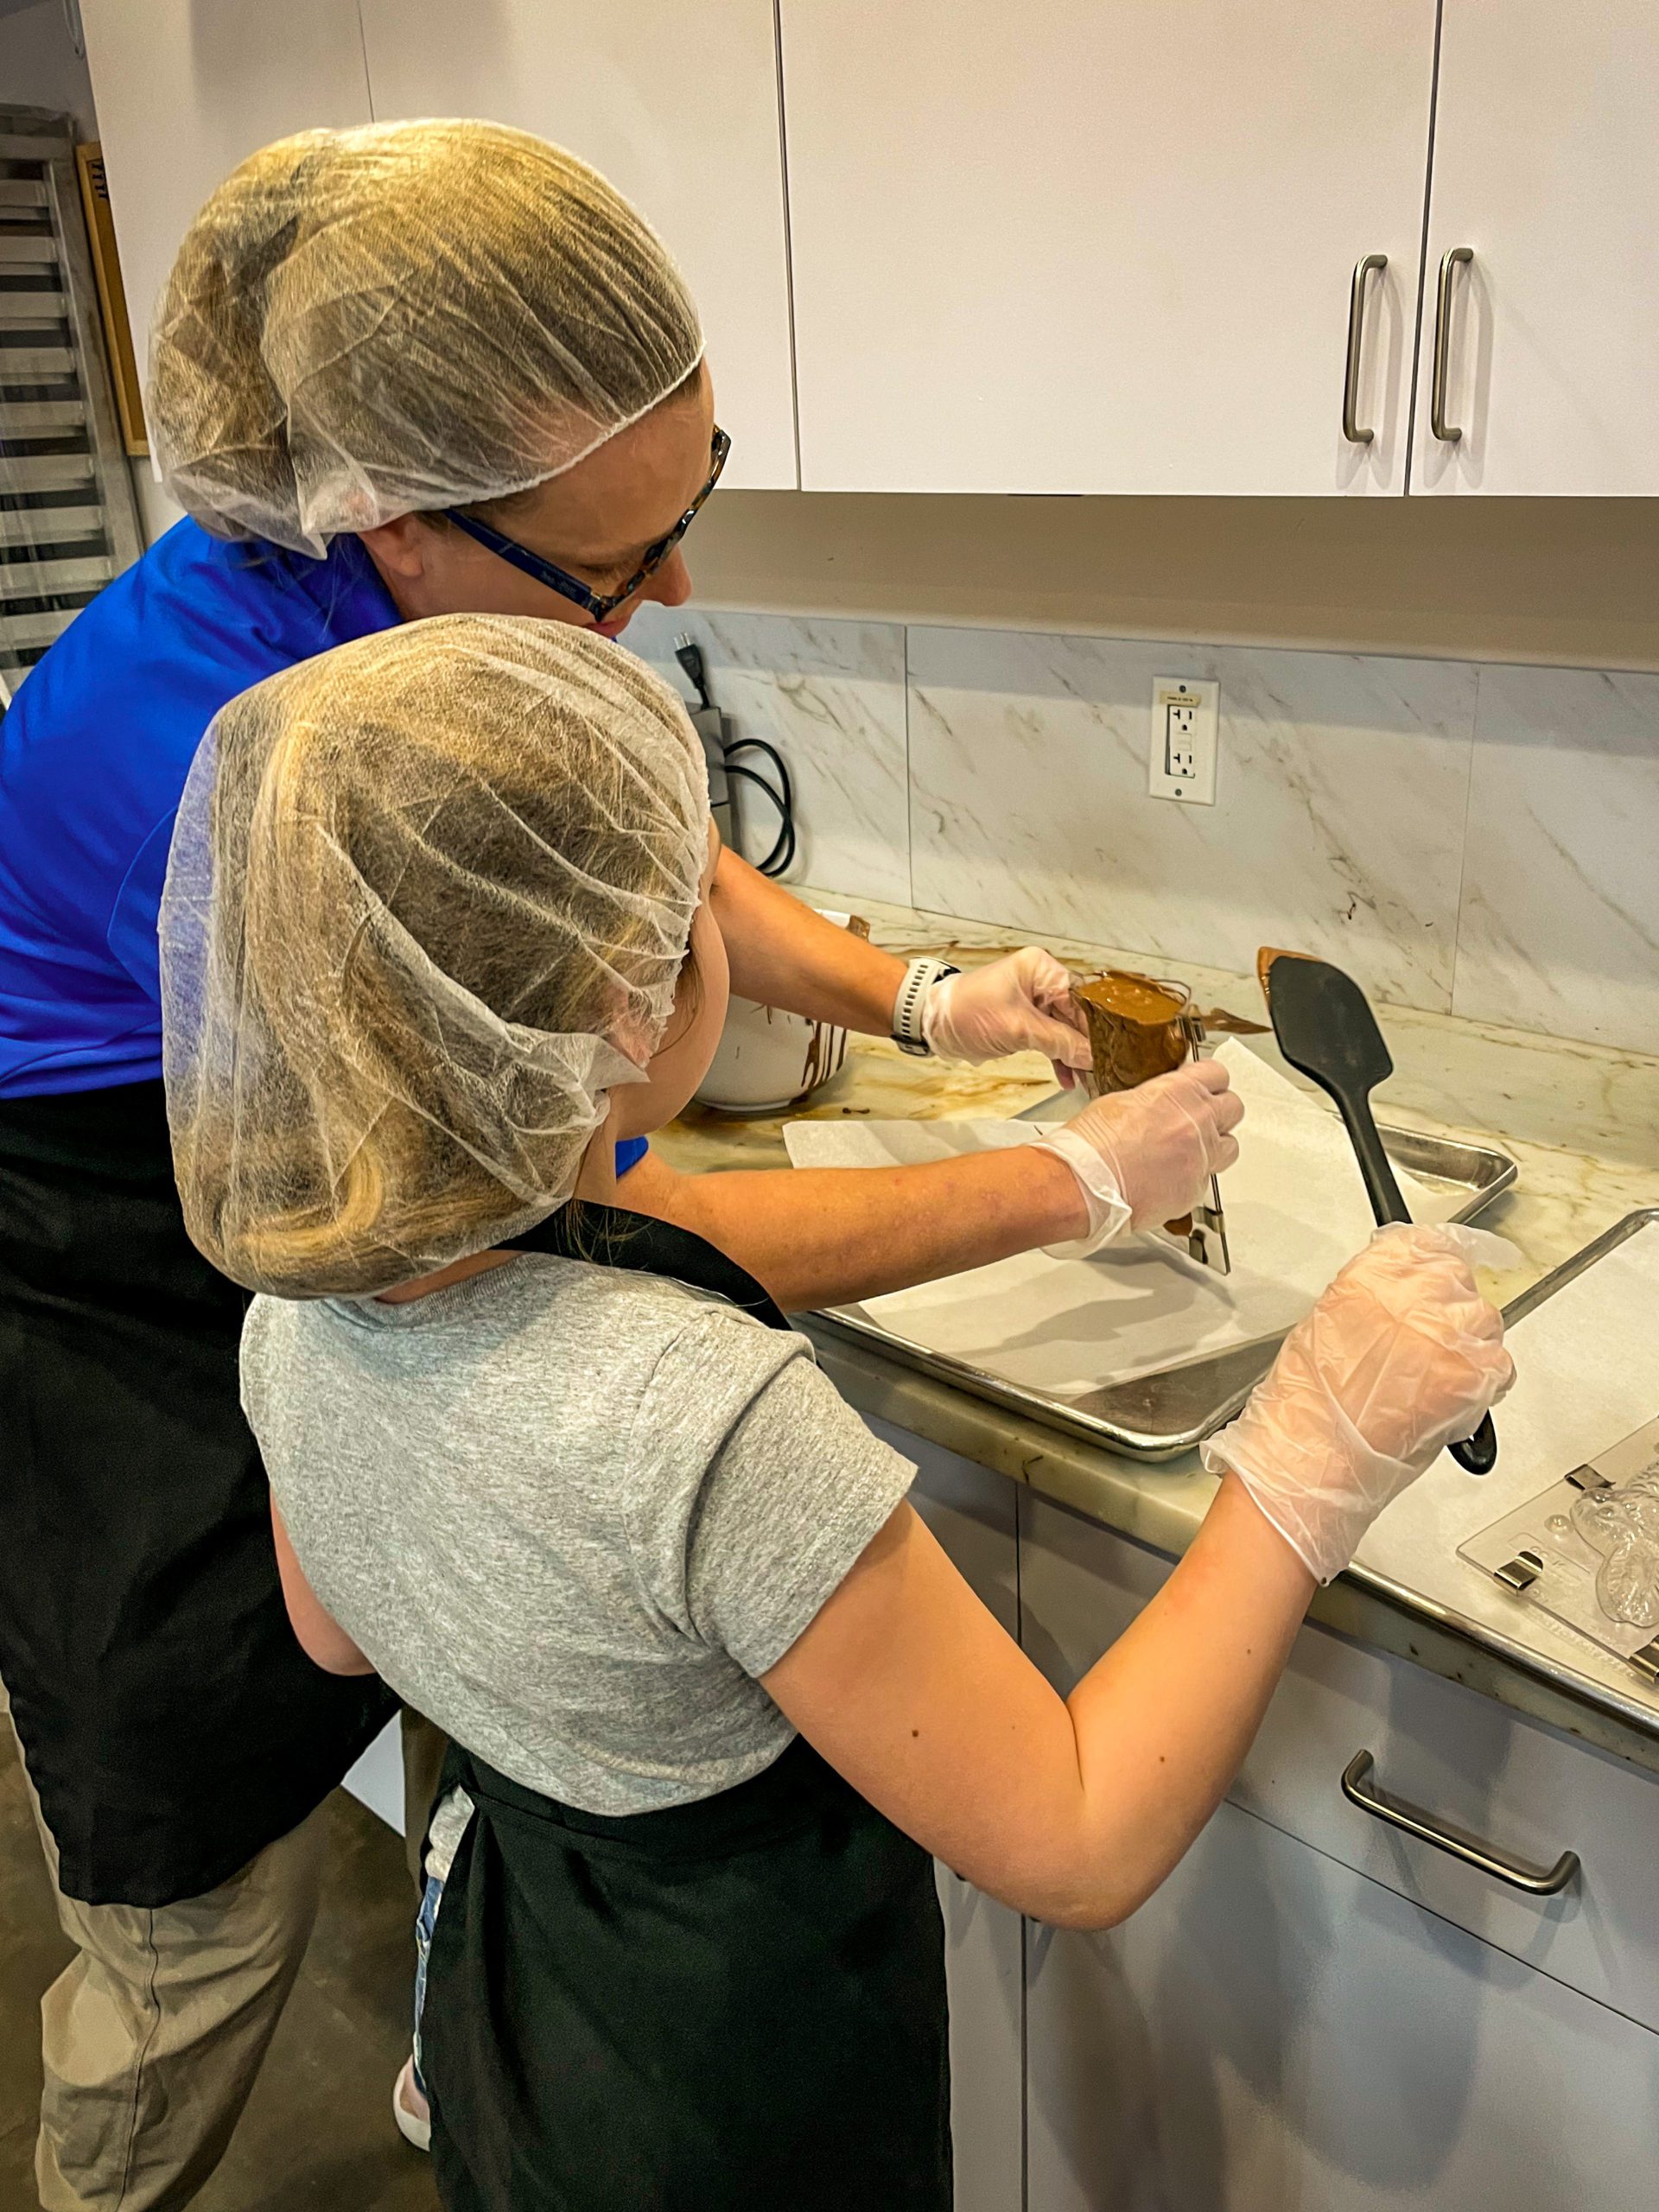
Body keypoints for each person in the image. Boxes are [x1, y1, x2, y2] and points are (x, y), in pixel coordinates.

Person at [0, 118, 1236, 2203]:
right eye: (622, 563)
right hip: (97, 1277)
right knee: (191, 1900)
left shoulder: (411, 600)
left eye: (700, 497)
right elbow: (654, 1219)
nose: (676, 588)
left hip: (566, 2048)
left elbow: (614, 842)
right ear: (402, 517)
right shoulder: (208, 781)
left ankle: (448, 2058)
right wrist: (1075, 1183)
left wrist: (918, 1000)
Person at [162, 615, 1515, 2210]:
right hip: (737, 2094)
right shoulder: (709, 1423)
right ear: (625, 997)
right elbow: (1075, 1834)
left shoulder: (293, 1315)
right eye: (695, 893)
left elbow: (333, 1634)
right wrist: (1310, 1453)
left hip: (517, 2018)